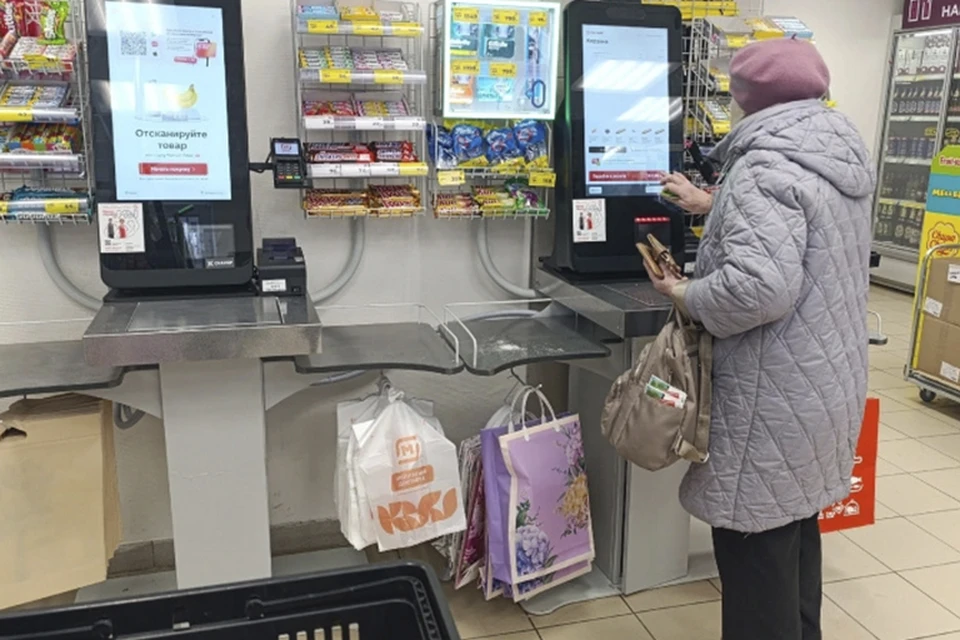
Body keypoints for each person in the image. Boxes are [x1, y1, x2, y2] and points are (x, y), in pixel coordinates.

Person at [646, 38, 875, 640]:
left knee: (755, 556)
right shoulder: (832, 151)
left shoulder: (762, 168)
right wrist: (714, 203)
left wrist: (683, 292)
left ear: (746, 98)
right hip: (821, 384)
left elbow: (756, 291)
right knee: (792, 537)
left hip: (769, 398)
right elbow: (802, 226)